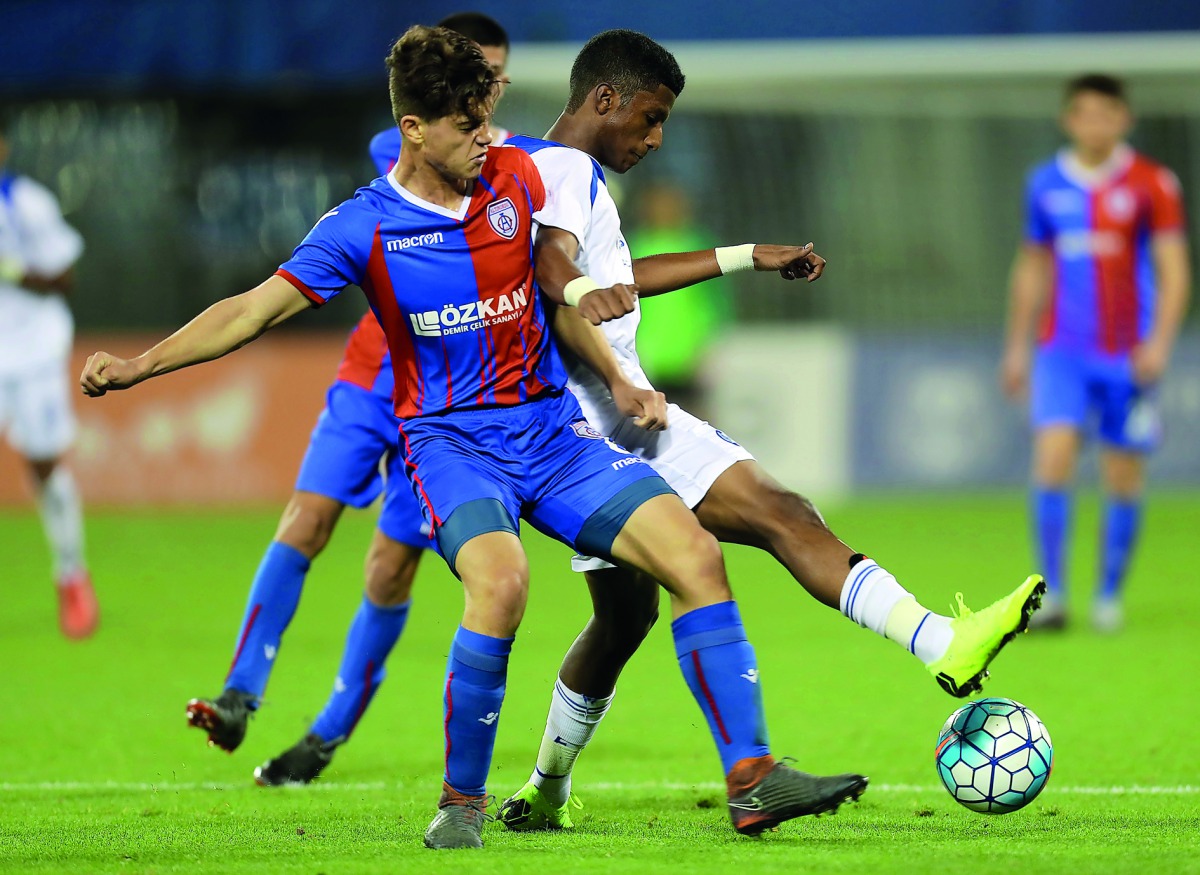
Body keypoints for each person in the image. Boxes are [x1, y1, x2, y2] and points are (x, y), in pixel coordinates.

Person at [79, 26, 867, 850]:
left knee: (695, 555)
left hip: (552, 433)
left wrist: (616, 369)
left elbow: (561, 284)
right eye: (466, 125)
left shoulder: (516, 177)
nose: (485, 138)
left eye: (487, 118)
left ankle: (750, 776)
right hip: (452, 446)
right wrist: (138, 366)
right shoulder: (363, 226)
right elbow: (250, 310)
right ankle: (462, 802)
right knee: (502, 583)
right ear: (414, 130)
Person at [494, 29, 1048, 831]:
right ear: (604, 99)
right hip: (612, 419)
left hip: (570, 427)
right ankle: (935, 644)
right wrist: (613, 365)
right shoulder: (565, 170)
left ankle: (545, 789)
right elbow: (558, 276)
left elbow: (612, 278)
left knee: (621, 621)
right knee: (781, 513)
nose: (656, 139)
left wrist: (746, 253)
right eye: (651, 118)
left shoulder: (532, 168)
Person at [182, 11, 517, 789]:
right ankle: (239, 693)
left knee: (388, 571)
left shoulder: (520, 172)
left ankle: (326, 734)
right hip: (374, 376)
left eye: (496, 76)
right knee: (306, 518)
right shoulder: (416, 152)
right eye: (474, 75)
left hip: (452, 405)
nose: (487, 89)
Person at [1001, 73, 1190, 633]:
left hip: (1127, 354)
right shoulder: (1044, 184)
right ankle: (1054, 596)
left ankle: (1108, 596)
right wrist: (1016, 347)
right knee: (1052, 457)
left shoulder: (1153, 183)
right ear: (1068, 121)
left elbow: (1175, 270)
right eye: (1084, 114)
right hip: (1061, 352)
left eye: (1107, 114)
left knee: (1123, 472)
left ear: (1125, 120)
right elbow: (1032, 265)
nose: (1096, 125)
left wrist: (1160, 342)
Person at [0, 121, 97, 640]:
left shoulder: (28, 204)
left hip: (33, 351)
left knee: (43, 464)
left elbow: (64, 278)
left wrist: (10, 270)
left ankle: (71, 574)